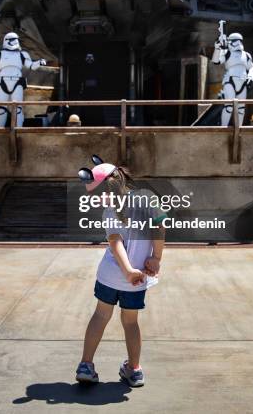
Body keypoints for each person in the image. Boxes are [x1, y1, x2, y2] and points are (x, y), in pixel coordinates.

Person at [76, 155, 166, 388]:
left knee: (100, 316)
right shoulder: (147, 198)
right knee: (131, 322)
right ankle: (134, 370)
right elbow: (160, 225)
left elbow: (115, 244)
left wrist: (126, 270)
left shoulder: (110, 211)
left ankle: (86, 365)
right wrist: (155, 258)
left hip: (111, 276)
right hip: (136, 280)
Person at [0, 29, 46, 127]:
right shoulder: (1, 54)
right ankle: (0, 128)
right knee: (1, 108)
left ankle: (18, 128)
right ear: (7, 41)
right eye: (13, 40)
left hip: (17, 82)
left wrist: (39, 62)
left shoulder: (22, 54)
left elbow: (30, 65)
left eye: (16, 40)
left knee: (18, 108)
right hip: (3, 81)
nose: (15, 42)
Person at [212, 24, 253, 127]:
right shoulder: (227, 53)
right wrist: (217, 48)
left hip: (243, 82)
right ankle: (223, 128)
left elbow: (252, 68)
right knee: (229, 107)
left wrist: (251, 76)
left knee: (241, 108)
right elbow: (216, 61)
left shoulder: (246, 55)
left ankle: (238, 129)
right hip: (230, 81)